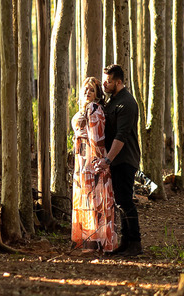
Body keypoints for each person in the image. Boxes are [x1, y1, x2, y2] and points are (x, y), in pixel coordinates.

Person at [98, 63, 143, 257]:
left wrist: (108, 159)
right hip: (116, 160)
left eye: (107, 81)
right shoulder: (113, 100)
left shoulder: (127, 103)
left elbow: (122, 136)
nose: (104, 84)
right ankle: (126, 242)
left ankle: (135, 242)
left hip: (125, 159)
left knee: (125, 200)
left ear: (118, 82)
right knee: (120, 201)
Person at [70, 77, 119, 252]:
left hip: (91, 160)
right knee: (87, 198)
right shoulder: (84, 109)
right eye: (85, 89)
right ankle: (88, 239)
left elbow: (97, 138)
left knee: (94, 199)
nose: (87, 92)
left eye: (91, 90)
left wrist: (99, 163)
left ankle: (95, 242)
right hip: (82, 159)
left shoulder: (94, 108)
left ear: (97, 94)